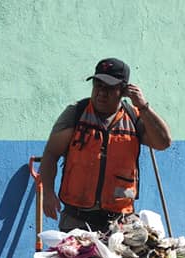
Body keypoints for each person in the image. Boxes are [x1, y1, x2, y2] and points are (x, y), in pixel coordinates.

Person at [39, 58, 172, 233]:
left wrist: (144, 107)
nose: (101, 92)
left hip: (120, 221)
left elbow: (163, 142)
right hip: (77, 220)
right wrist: (48, 193)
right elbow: (51, 154)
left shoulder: (134, 117)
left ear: (123, 90)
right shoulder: (76, 113)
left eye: (109, 87)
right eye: (97, 85)